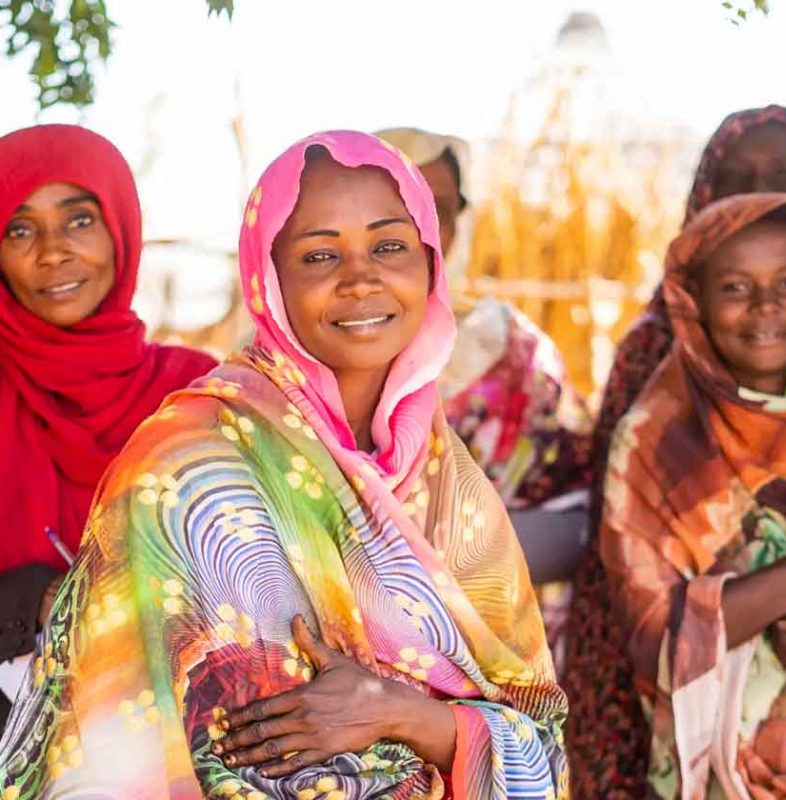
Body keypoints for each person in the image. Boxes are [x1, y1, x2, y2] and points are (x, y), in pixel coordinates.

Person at [0, 131, 569, 799]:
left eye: (389, 245)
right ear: (269, 282)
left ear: (430, 263)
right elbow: (120, 743)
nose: (361, 278)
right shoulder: (191, 461)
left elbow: (544, 743)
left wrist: (405, 716)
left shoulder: (453, 488)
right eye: (319, 255)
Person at [564, 103, 786, 798]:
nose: (763, 306)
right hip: (680, 718)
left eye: (784, 173)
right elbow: (633, 587)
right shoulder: (655, 388)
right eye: (737, 175)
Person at [0, 124, 217, 730]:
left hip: (185, 741)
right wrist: (34, 599)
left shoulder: (196, 396)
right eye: (19, 229)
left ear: (120, 229)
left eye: (79, 220)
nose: (53, 252)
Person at [376, 128, 593, 672]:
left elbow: (578, 517)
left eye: (437, 209)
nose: (416, 230)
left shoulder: (512, 351)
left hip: (489, 651)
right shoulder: (289, 356)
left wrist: (461, 558)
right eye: (392, 209)